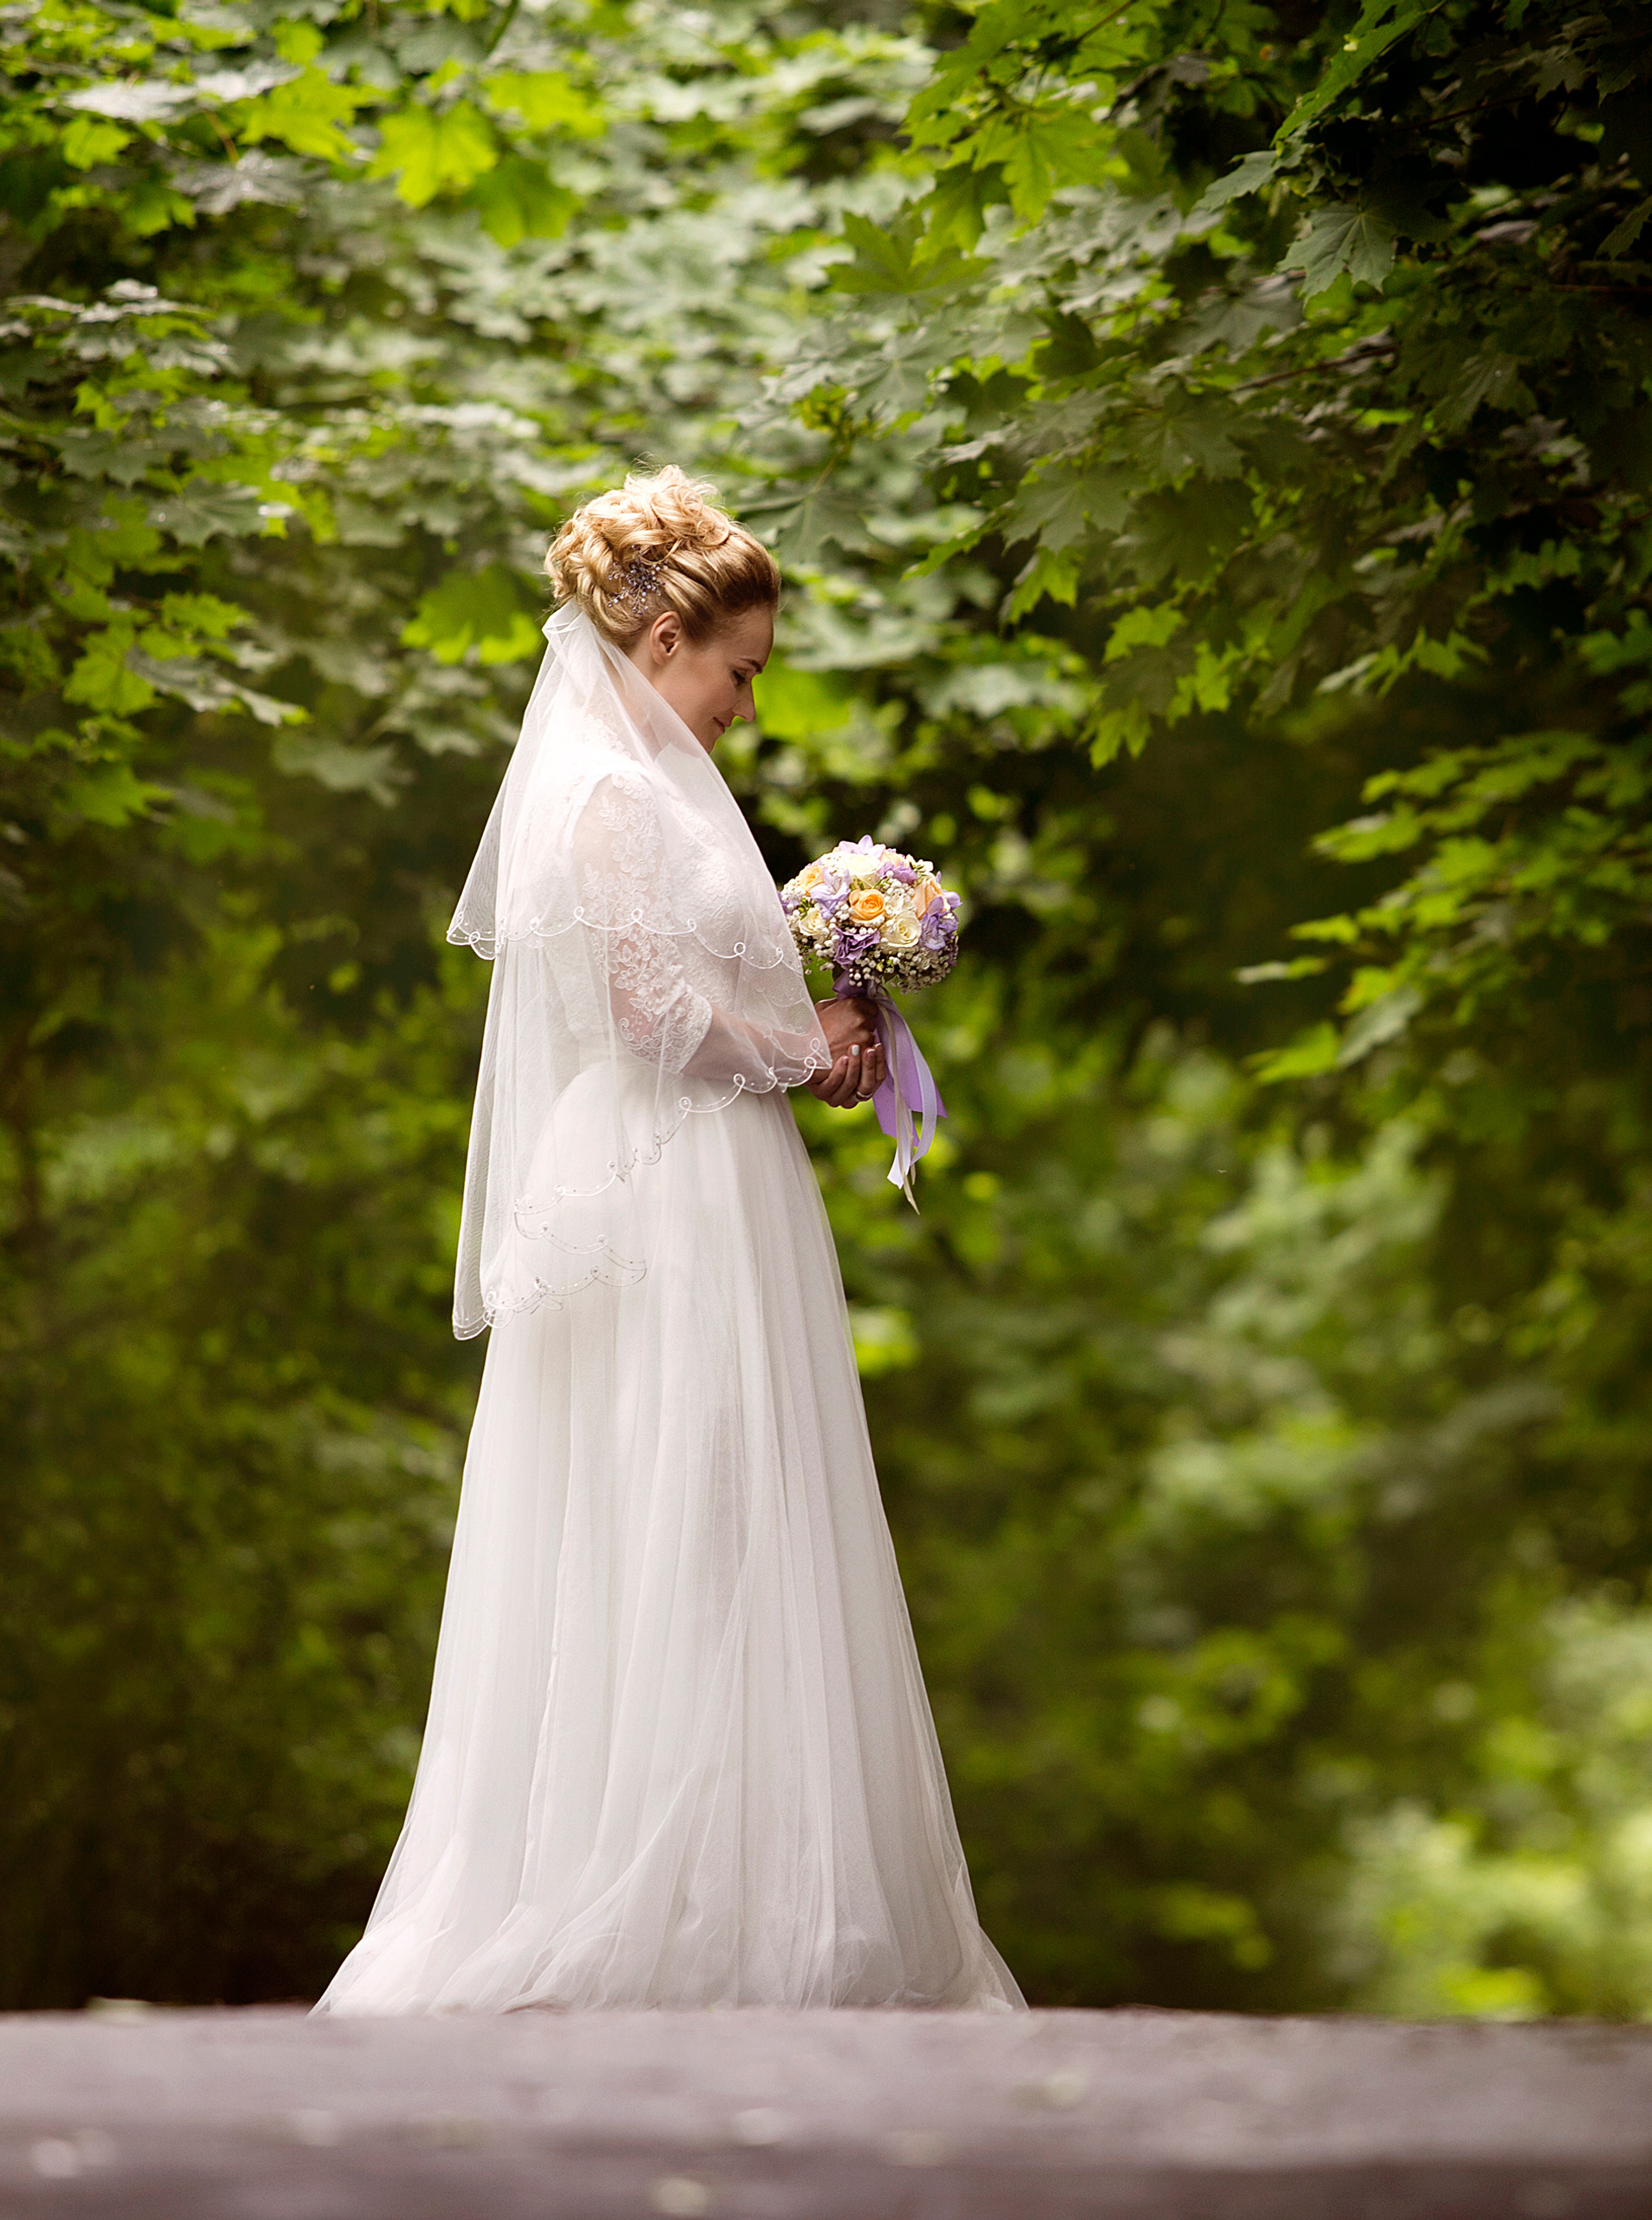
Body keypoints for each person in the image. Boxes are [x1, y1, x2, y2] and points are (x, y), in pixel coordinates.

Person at [315, 468, 1023, 2014]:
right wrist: (806, 1049)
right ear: (659, 642)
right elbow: (648, 1014)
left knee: (728, 1504)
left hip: (711, 1174)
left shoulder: (651, 791)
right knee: (667, 1497)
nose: (747, 709)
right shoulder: (610, 799)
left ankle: (756, 1884)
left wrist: (827, 996)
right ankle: (651, 1895)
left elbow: (698, 988)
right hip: (661, 1186)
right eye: (739, 671)